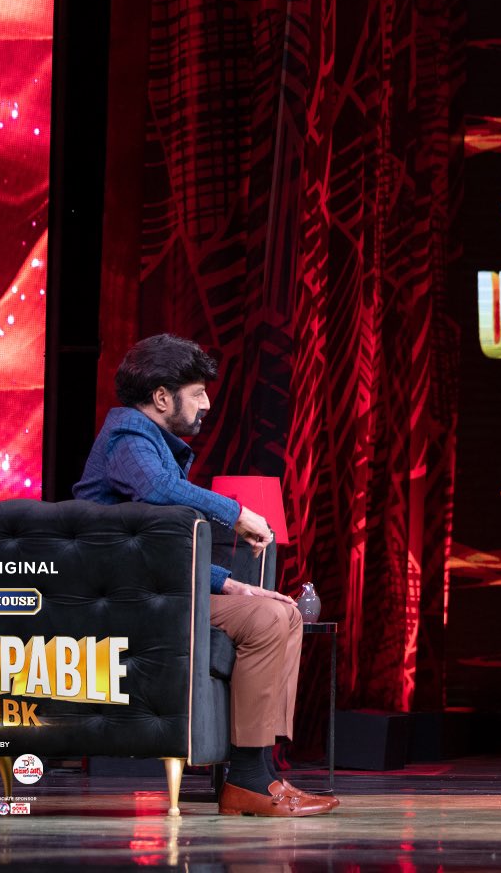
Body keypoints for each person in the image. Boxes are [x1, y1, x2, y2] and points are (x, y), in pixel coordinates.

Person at [74, 334, 336, 817]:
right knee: (267, 620)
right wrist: (236, 513)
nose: (207, 404)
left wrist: (231, 583)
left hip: (158, 592)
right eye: (197, 393)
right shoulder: (128, 435)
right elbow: (158, 489)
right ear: (161, 397)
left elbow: (163, 544)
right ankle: (249, 781)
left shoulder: (149, 440)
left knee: (281, 612)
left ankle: (259, 772)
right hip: (125, 602)